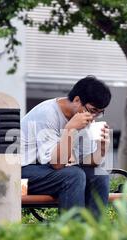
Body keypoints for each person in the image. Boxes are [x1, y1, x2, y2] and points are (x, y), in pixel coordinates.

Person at [21, 75, 111, 218]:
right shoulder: (47, 113)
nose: (93, 117)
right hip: (22, 172)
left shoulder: (84, 118)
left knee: (100, 176)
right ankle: (71, 235)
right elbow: (57, 164)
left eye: (99, 113)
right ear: (77, 100)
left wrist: (102, 148)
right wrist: (70, 129)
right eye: (93, 110)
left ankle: (94, 236)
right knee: (74, 175)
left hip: (48, 172)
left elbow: (87, 162)